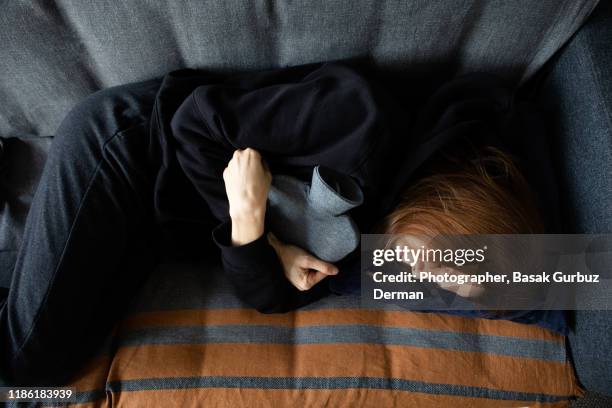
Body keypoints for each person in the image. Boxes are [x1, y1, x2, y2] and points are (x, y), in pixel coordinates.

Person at [0, 61, 556, 386]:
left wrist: (258, 242)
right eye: (438, 267)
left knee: (57, 364)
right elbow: (196, 124)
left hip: (155, 225)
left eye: (443, 285)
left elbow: (268, 296)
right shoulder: (361, 120)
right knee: (24, 367)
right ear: (448, 207)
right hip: (129, 148)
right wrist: (254, 227)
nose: (419, 277)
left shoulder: (393, 248)